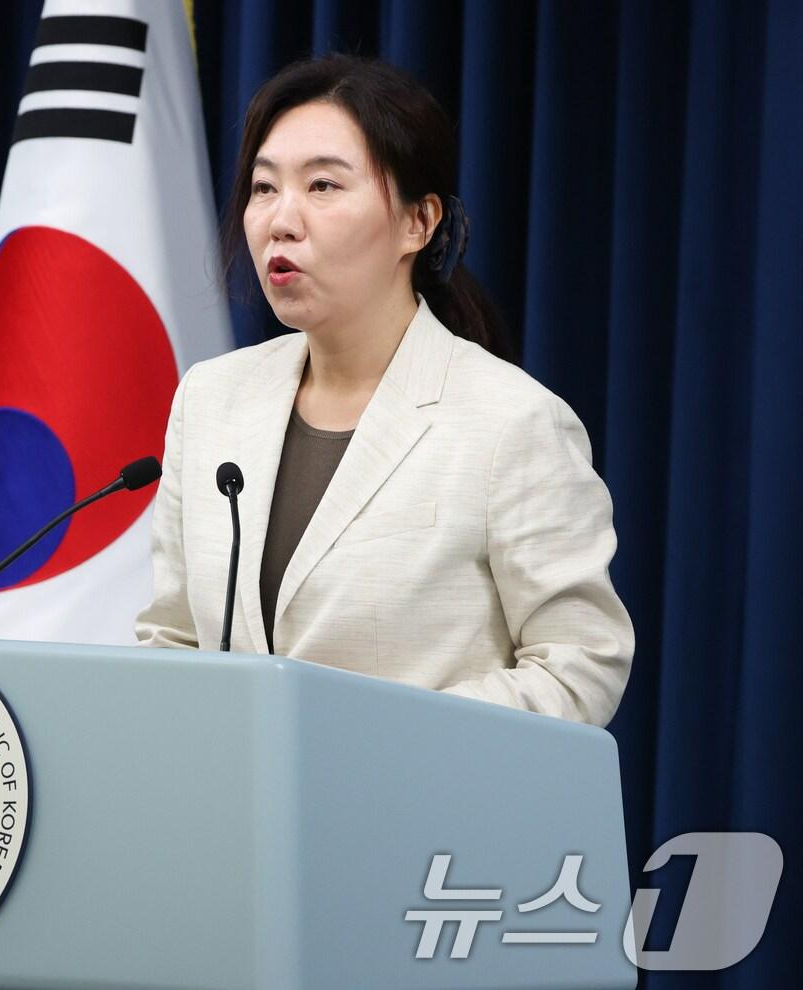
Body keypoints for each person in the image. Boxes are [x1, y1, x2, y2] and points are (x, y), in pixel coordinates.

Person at [135, 55, 632, 726]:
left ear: (418, 222)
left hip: (424, 793)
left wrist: (384, 743)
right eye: (264, 187)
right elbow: (170, 640)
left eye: (323, 185)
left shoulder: (512, 422)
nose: (281, 220)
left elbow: (580, 664)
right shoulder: (210, 400)